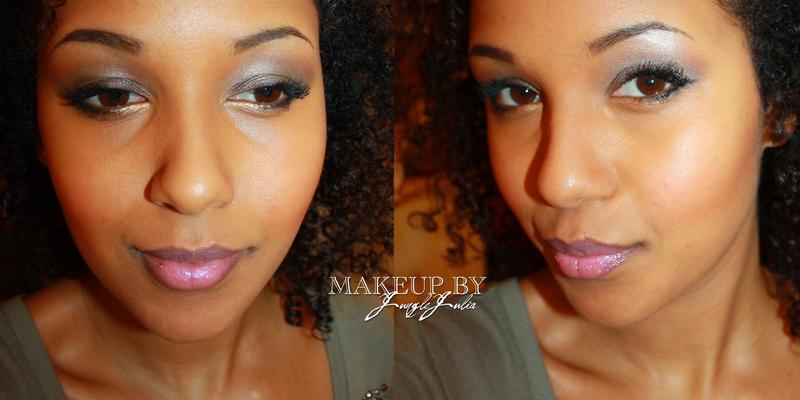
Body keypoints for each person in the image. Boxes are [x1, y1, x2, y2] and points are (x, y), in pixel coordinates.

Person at [395, 0, 800, 398]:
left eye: (647, 82)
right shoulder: (417, 375)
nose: (558, 183)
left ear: (779, 105)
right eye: (517, 94)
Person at [0, 1, 392, 399]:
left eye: (265, 91)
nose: (193, 189)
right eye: (112, 95)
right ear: (37, 127)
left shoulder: (397, 351)